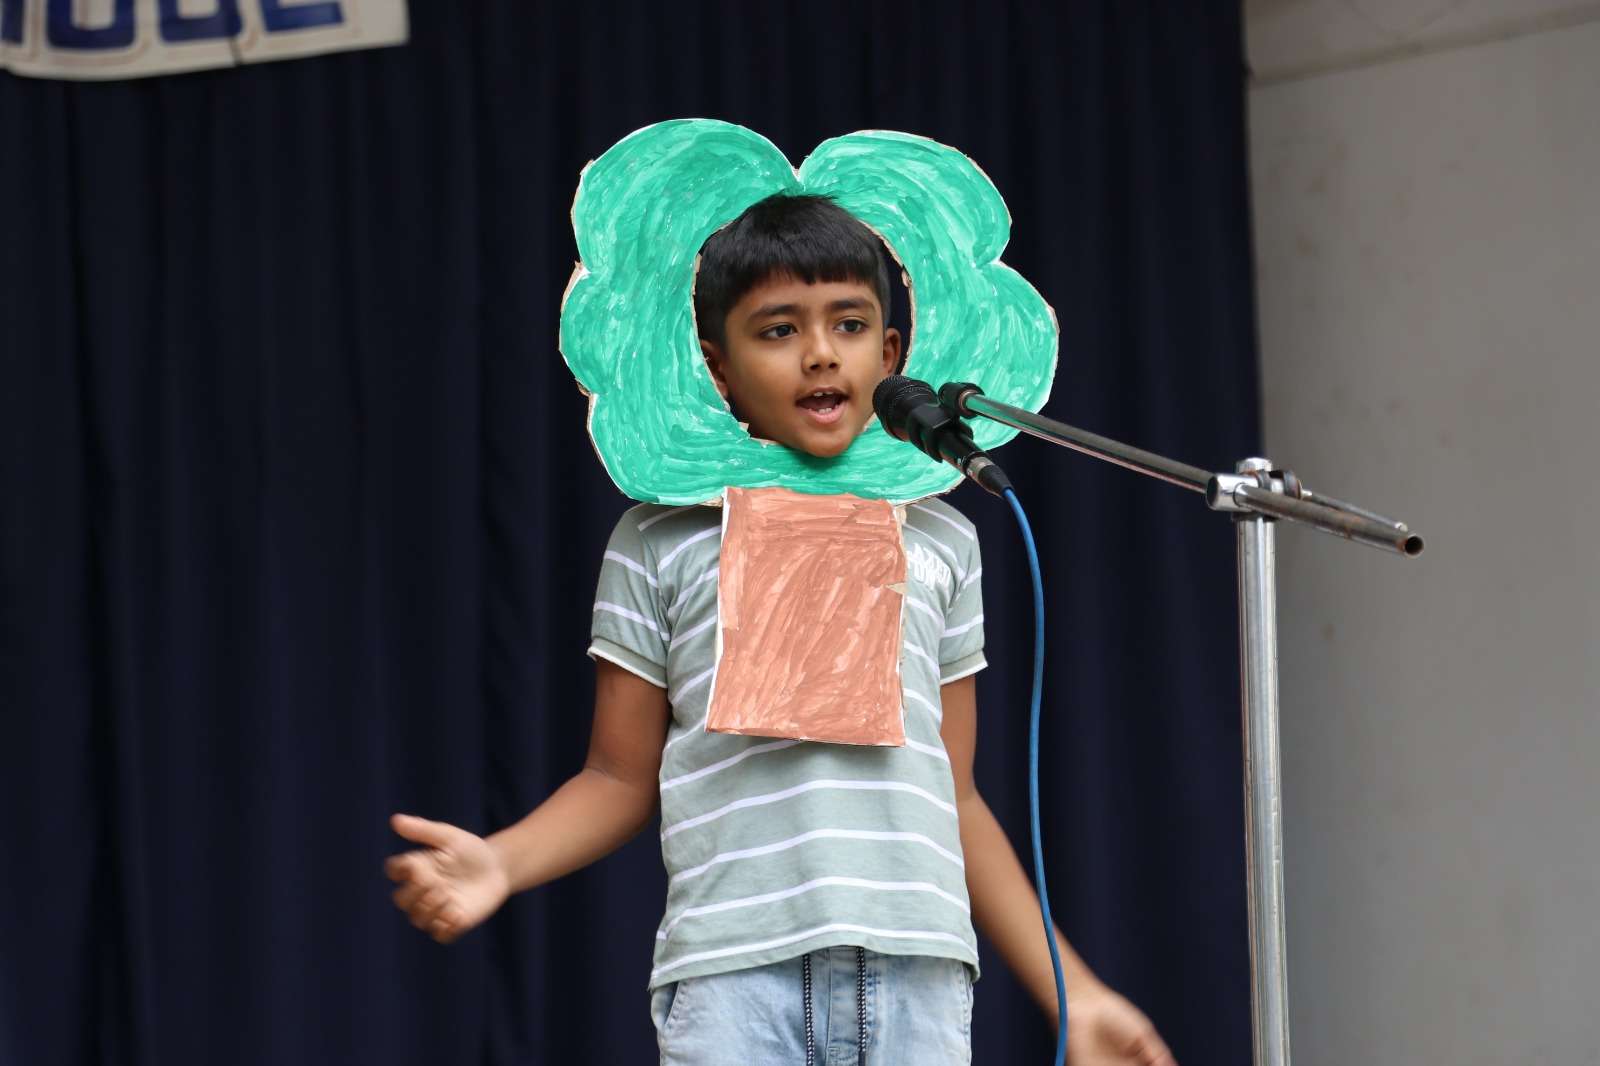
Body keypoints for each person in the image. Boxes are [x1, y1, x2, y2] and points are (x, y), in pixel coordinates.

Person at [386, 193, 1175, 1065]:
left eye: (849, 324)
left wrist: (1077, 994)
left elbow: (955, 797)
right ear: (718, 368)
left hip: (917, 972)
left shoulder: (944, 539)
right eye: (778, 330)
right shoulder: (660, 539)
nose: (820, 353)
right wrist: (502, 861)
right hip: (733, 975)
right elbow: (616, 774)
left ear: (891, 355)